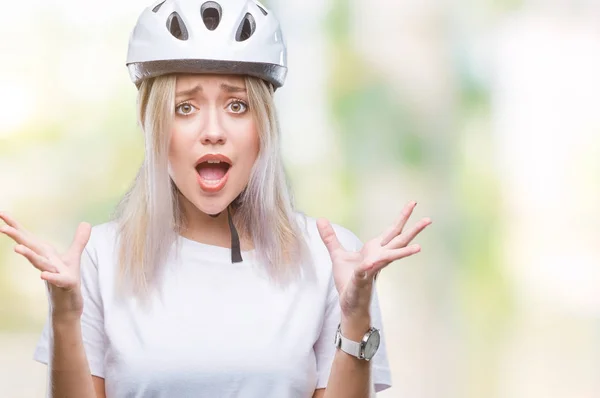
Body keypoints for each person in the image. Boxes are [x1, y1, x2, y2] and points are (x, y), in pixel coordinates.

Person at [0, 0, 431, 396]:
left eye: (237, 105)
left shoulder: (331, 258)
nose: (213, 130)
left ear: (263, 125)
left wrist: (356, 316)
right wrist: (64, 315)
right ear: (153, 127)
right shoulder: (98, 256)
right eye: (185, 107)